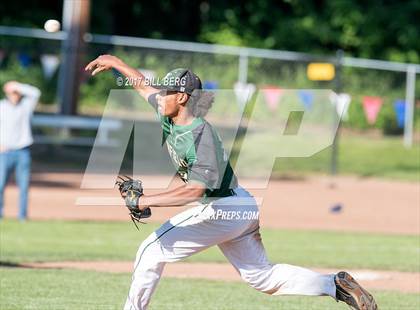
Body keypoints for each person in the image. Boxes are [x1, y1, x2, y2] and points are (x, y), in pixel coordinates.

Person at [85, 55, 378, 310]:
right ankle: (334, 285)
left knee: (150, 251)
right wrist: (116, 63)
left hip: (221, 209)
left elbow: (195, 190)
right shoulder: (170, 117)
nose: (160, 96)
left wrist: (145, 200)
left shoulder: (199, 137)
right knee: (261, 277)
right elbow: (142, 86)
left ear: (183, 98)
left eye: (167, 92)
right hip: (240, 204)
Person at [0, 81, 40, 220]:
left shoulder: (25, 106)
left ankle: (22, 216)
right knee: (0, 185)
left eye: (17, 93)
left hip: (22, 151)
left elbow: (35, 93)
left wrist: (17, 85)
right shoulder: (2, 107)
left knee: (23, 187)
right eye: (12, 92)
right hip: (4, 152)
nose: (15, 95)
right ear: (7, 94)